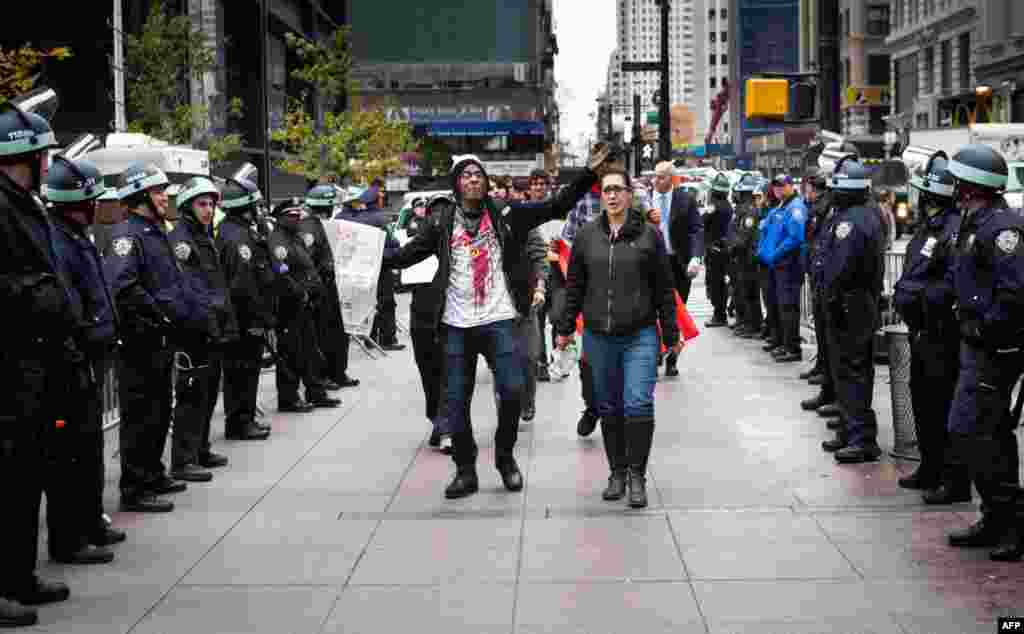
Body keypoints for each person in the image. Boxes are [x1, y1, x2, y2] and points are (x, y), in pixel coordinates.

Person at [383, 147, 612, 499]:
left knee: (512, 393)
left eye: (478, 175)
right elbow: (405, 255)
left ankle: (505, 458)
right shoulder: (442, 222)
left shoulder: (507, 215)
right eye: (466, 175)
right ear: (456, 185)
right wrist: (369, 255)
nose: (473, 179)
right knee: (456, 401)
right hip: (457, 324)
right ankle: (465, 470)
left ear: (486, 183)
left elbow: (555, 206)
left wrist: (587, 173)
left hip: (499, 319)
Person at [556, 168, 681, 508]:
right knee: (609, 406)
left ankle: (637, 476)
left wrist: (670, 334)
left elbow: (664, 290)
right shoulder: (586, 236)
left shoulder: (649, 236)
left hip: (640, 334)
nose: (611, 196)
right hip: (599, 337)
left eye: (617, 190)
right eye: (606, 190)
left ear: (629, 194)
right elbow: (575, 288)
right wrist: (565, 328)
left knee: (638, 403)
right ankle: (617, 472)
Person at [0, 100, 74, 627]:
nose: (49, 164)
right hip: (8, 363)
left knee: (27, 475)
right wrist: (37, 293)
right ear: (20, 157)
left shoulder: (24, 203)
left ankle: (19, 576)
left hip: (34, 360)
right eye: (42, 155)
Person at [105, 162, 202, 513]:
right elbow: (124, 286)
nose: (165, 196)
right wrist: (158, 315)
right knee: (140, 416)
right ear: (140, 195)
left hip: (161, 340)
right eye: (158, 191)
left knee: (160, 410)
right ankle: (135, 487)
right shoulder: (127, 235)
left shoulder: (155, 230)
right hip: (140, 342)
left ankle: (153, 473)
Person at [943, 144, 1024, 561]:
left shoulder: (1002, 228)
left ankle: (1013, 520)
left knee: (975, 428)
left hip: (996, 346)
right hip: (976, 343)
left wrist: (987, 326)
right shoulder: (974, 221)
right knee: (983, 430)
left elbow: (1014, 293)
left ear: (974, 185)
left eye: (959, 179)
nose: (954, 186)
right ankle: (996, 515)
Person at [45, 156, 122, 565]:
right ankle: (70, 537)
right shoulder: (59, 242)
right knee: (71, 455)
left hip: (90, 359)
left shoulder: (77, 236)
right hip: (73, 362)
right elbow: (69, 304)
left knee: (89, 449)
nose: (97, 208)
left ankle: (90, 521)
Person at [891, 151, 969, 504]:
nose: (920, 198)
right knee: (922, 401)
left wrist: (917, 296)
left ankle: (953, 479)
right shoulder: (928, 228)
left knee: (943, 405)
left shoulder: (954, 231)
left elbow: (951, 283)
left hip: (942, 331)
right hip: (920, 330)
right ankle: (930, 467)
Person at [167, 177, 237, 482]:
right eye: (202, 204)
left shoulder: (205, 235)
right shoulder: (182, 240)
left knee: (208, 393)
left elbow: (216, 285)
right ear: (187, 206)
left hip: (212, 328)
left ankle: (200, 448)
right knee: (192, 394)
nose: (208, 210)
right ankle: (184, 459)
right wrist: (208, 322)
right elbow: (191, 289)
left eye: (211, 204)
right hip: (195, 330)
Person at [818, 158, 885, 464]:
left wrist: (830, 295)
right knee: (846, 371)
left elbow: (841, 268)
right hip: (853, 303)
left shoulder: (852, 221)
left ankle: (861, 439)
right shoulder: (855, 214)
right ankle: (850, 430)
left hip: (851, 304)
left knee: (853, 371)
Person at [268, 197, 342, 412]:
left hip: (306, 304)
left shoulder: (296, 238)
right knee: (290, 354)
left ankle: (316, 392)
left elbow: (308, 267)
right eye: (291, 216)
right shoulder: (277, 241)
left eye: (298, 215)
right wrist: (301, 293)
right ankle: (289, 398)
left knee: (310, 351)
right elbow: (282, 274)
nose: (297, 218)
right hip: (289, 306)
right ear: (280, 219)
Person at [216, 175, 274, 440]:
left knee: (246, 372)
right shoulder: (237, 239)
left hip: (244, 319)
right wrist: (254, 320)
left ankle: (244, 419)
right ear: (245, 207)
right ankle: (240, 423)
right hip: (243, 321)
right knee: (242, 372)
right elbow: (241, 286)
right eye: (256, 206)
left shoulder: (240, 232)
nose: (260, 211)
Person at [559, 178, 606, 435]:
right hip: (592, 294)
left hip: (630, 296)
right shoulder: (583, 200)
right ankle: (592, 406)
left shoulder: (638, 198)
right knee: (588, 359)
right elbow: (568, 243)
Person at [408, 194, 453, 454]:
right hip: (424, 317)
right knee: (431, 373)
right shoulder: (418, 241)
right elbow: (400, 259)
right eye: (434, 211)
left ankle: (445, 425)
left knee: (446, 373)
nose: (439, 217)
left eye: (444, 211)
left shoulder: (458, 244)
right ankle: (439, 421)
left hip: (446, 316)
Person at [649, 161, 702, 377]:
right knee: (651, 312)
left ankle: (672, 357)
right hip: (652, 265)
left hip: (678, 264)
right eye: (655, 176)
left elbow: (697, 229)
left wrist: (696, 257)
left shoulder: (685, 200)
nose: (656, 180)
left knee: (676, 314)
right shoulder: (645, 200)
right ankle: (654, 353)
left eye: (660, 177)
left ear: (671, 179)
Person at [303, 184, 359, 389]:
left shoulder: (325, 224)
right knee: (323, 335)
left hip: (334, 286)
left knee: (338, 332)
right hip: (321, 289)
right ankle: (324, 374)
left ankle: (338, 372)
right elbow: (308, 262)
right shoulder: (309, 227)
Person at [759, 174, 807, 363]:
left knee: (788, 307)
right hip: (776, 264)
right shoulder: (779, 206)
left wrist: (775, 254)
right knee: (778, 305)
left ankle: (792, 348)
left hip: (788, 264)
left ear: (790, 186)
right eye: (775, 186)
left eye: (782, 186)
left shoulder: (795, 207)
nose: (778, 189)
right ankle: (781, 342)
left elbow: (794, 238)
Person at [728, 174, 762, 338]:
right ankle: (746, 322)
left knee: (750, 293)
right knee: (743, 291)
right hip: (741, 257)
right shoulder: (742, 209)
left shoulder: (749, 211)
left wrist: (732, 247)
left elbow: (744, 236)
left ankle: (753, 325)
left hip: (748, 258)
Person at [703, 174, 733, 327]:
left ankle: (719, 315)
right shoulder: (728, 206)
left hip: (715, 250)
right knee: (720, 283)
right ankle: (720, 313)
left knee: (715, 283)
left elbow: (703, 221)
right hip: (723, 249)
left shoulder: (713, 205)